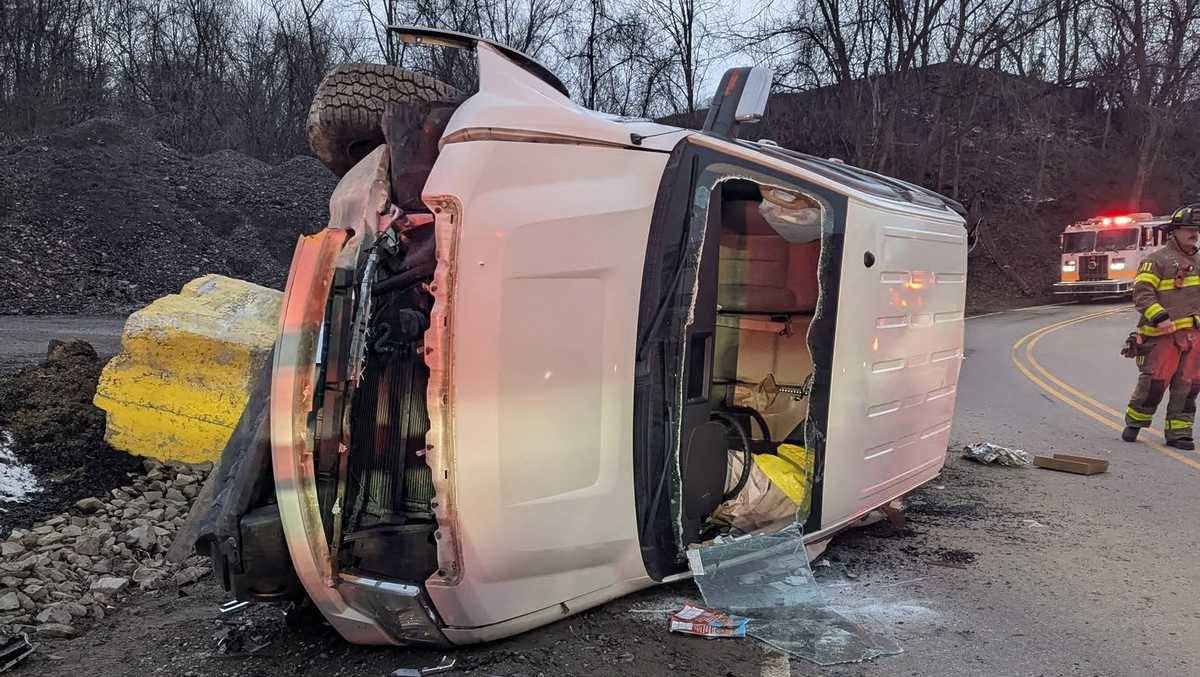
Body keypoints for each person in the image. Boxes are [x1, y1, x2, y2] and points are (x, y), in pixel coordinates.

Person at [1124, 204, 1200, 450]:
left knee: (1188, 387)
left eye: (1197, 229)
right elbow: (1142, 294)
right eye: (1189, 229)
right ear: (1174, 231)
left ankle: (1179, 433)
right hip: (1162, 336)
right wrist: (1160, 318)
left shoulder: (1198, 261)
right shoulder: (1156, 261)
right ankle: (1135, 423)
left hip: (1194, 337)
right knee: (1154, 383)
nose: (1194, 233)